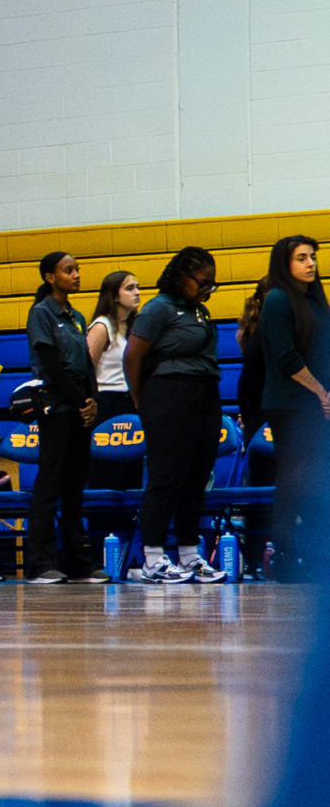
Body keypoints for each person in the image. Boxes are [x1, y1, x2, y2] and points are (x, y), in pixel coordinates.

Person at [127, 247, 225, 584]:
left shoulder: (199, 311)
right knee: (166, 476)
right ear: (181, 275)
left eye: (213, 284)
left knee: (197, 476)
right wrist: (142, 401)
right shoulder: (158, 309)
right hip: (168, 394)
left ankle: (189, 554)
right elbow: (132, 357)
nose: (207, 289)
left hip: (204, 393)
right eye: (202, 282)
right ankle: (152, 557)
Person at [251, 235, 330, 579]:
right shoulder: (278, 300)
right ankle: (282, 551)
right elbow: (285, 357)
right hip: (290, 403)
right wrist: (320, 393)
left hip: (316, 403)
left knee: (316, 478)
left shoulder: (315, 302)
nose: (310, 263)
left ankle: (315, 552)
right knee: (294, 477)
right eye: (301, 258)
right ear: (285, 264)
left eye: (312, 257)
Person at [24, 251, 100, 583]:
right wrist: (79, 397)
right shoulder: (41, 314)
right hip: (55, 407)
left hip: (80, 407)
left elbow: (85, 361)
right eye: (68, 270)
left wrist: (92, 399)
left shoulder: (78, 316)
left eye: (77, 269)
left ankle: (77, 562)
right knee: (49, 483)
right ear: (50, 277)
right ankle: (42, 562)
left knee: (74, 486)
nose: (76, 274)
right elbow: (51, 364)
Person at [88, 270, 141, 421]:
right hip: (106, 398)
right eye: (130, 288)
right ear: (115, 296)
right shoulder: (101, 326)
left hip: (129, 397)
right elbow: (88, 368)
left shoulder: (134, 327)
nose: (137, 293)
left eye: (137, 287)